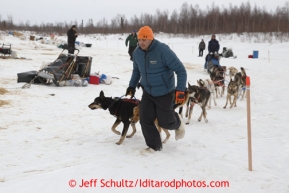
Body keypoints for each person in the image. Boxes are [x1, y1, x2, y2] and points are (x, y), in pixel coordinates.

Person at [125, 26, 187, 151]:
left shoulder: (162, 50)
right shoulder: (137, 53)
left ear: (151, 39)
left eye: (145, 39)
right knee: (145, 120)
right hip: (148, 92)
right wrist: (131, 86)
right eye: (140, 39)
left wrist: (180, 90)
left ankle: (178, 121)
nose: (141, 42)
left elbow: (181, 70)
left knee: (165, 122)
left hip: (165, 92)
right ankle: (154, 147)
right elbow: (136, 71)